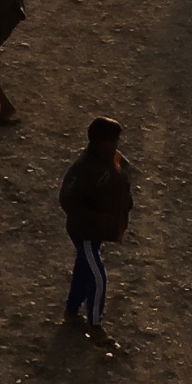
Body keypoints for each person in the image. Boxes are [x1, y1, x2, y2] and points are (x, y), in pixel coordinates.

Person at [59, 117, 134, 353]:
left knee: (84, 269)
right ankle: (95, 325)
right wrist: (97, 217)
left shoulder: (110, 158)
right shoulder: (84, 168)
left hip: (98, 231)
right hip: (86, 232)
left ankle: (72, 313)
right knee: (97, 276)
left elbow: (124, 178)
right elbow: (67, 200)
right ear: (104, 143)